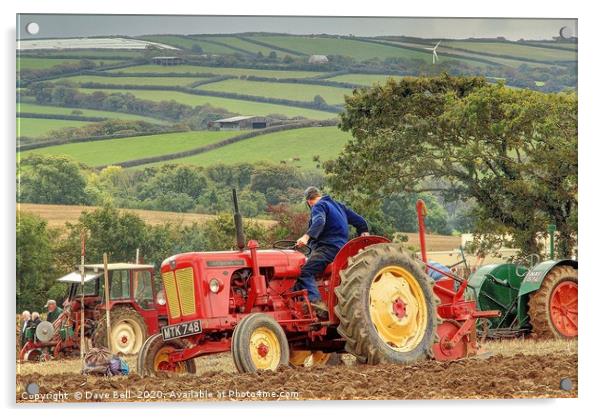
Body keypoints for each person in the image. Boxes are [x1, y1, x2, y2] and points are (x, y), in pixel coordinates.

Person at [295, 186, 369, 317]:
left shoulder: (318, 205)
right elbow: (360, 221)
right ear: (319, 194)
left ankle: (316, 303)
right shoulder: (338, 206)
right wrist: (364, 232)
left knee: (305, 272)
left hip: (326, 249)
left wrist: (306, 237)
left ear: (309, 202)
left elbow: (319, 221)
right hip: (341, 250)